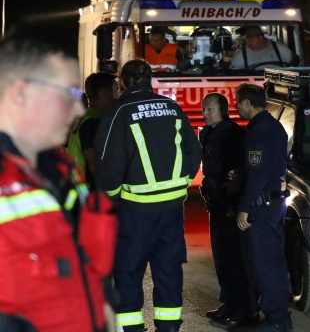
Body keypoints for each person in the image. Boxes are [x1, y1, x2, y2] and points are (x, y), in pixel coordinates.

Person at [0, 38, 117, 331]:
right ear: (21, 93)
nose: (78, 110)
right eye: (67, 94)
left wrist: (101, 306)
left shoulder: (59, 169)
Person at [94, 59, 202, 332]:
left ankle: (130, 328)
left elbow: (108, 162)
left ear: (123, 82)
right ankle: (168, 327)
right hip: (172, 209)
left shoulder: (119, 112)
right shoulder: (173, 108)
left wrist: (111, 198)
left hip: (134, 211)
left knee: (128, 273)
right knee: (168, 271)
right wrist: (182, 184)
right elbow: (194, 151)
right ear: (151, 79)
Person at [234, 83, 293, 332]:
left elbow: (257, 174)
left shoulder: (259, 131)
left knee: (264, 263)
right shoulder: (271, 125)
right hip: (272, 203)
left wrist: (245, 208)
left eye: (238, 102)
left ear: (247, 103)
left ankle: (276, 319)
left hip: (262, 206)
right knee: (271, 261)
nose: (237, 106)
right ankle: (276, 316)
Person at [199, 93, 257, 327]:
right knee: (222, 257)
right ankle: (230, 303)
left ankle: (246, 308)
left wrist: (235, 186)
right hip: (217, 202)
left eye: (209, 109)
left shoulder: (234, 134)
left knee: (236, 259)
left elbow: (242, 168)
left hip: (230, 204)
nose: (205, 113)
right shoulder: (208, 134)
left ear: (222, 110)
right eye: (204, 109)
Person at [66, 72, 118, 188]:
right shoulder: (94, 123)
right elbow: (95, 165)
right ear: (104, 93)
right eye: (115, 91)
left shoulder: (84, 118)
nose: (117, 96)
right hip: (89, 190)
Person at [230, 25, 295, 70]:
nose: (248, 42)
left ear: (260, 37)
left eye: (251, 39)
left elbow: (293, 67)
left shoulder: (281, 50)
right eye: (247, 39)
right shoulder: (241, 56)